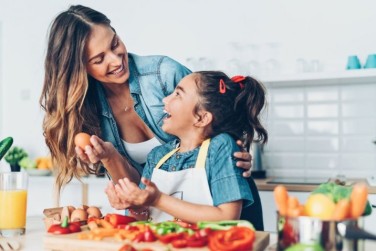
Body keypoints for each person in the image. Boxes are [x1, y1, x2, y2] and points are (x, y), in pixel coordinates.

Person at [39, 5, 252, 193]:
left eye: (114, 44)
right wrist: (109, 156)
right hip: (168, 218)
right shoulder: (87, 111)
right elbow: (138, 191)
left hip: (222, 199)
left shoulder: (164, 74)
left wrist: (237, 150)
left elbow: (218, 115)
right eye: (99, 59)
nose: (115, 60)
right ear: (79, 69)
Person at [105, 71, 268, 223]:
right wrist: (134, 205)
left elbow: (227, 216)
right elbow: (144, 217)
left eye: (178, 94)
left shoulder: (220, 147)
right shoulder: (158, 156)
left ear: (202, 118)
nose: (165, 100)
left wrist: (158, 199)